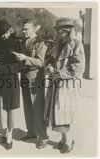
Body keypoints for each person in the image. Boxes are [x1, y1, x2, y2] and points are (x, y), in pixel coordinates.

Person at [0, 19, 28, 150]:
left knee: (11, 108)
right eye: (3, 33)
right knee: (2, 107)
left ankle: (10, 134)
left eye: (7, 32)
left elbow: (21, 64)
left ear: (10, 30)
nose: (5, 35)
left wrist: (7, 69)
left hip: (11, 80)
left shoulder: (17, 44)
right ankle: (6, 131)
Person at [44, 18, 85, 154]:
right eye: (57, 29)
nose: (57, 31)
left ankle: (69, 141)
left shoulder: (76, 43)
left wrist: (61, 73)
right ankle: (63, 140)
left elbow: (79, 66)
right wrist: (49, 67)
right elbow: (49, 58)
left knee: (65, 113)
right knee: (58, 112)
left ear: (67, 29)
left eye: (59, 29)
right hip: (56, 83)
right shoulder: (58, 43)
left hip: (68, 85)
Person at [13, 19, 49, 149]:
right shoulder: (24, 42)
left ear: (34, 29)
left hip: (35, 79)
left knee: (37, 107)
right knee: (28, 106)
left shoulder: (40, 43)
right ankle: (32, 132)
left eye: (26, 29)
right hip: (24, 78)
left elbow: (40, 62)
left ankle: (43, 137)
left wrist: (25, 58)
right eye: (23, 29)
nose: (23, 31)